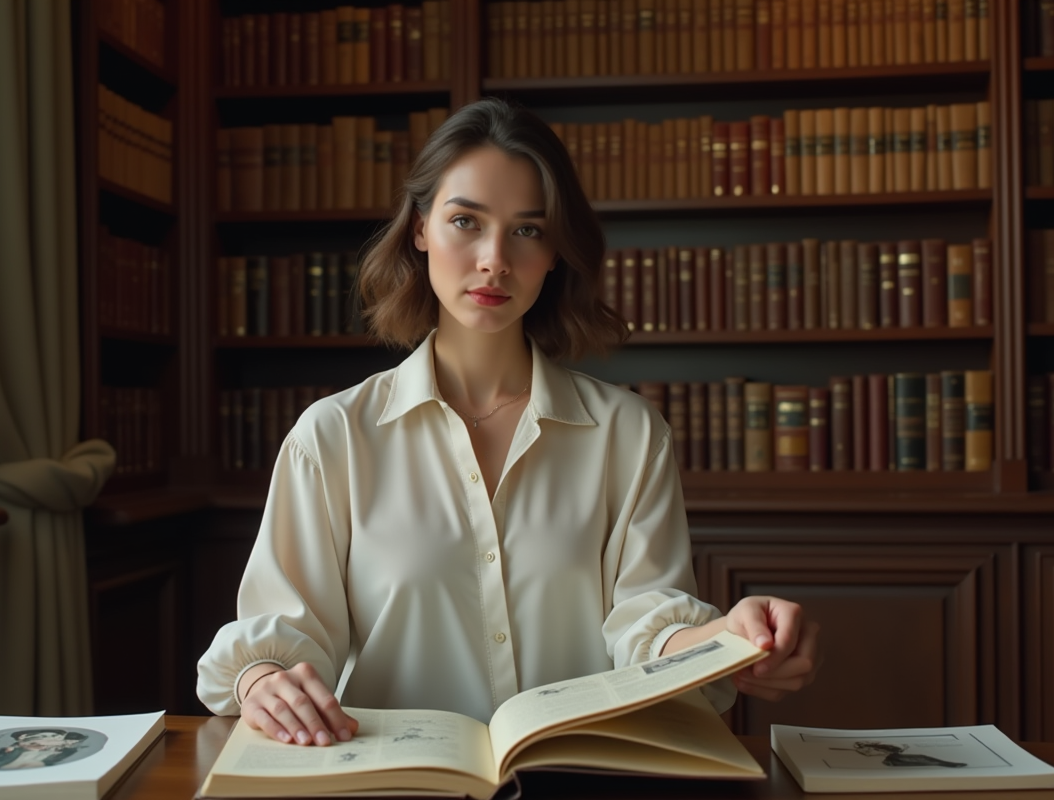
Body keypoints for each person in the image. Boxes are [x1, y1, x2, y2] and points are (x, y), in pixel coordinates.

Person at [196, 97, 821, 747]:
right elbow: (285, 638)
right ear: (419, 228)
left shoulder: (627, 434)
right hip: (393, 783)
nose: (494, 259)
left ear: (555, 252)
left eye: (527, 230)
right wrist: (262, 679)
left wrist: (735, 637)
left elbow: (649, 626)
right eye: (466, 220)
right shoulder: (333, 437)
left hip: (577, 781)